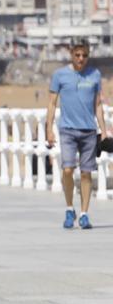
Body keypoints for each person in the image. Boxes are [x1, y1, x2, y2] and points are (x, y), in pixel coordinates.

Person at [46, 41, 108, 229]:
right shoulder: (60, 75)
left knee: (87, 173)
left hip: (89, 131)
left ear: (88, 56)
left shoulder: (95, 75)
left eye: (84, 55)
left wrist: (103, 130)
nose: (81, 59)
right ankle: (68, 208)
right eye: (77, 55)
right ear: (71, 54)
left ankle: (84, 214)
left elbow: (97, 105)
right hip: (67, 130)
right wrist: (49, 129)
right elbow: (51, 104)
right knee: (67, 169)